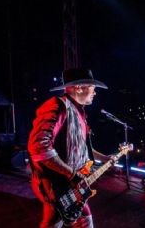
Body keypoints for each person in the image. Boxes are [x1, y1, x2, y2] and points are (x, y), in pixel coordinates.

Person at [28, 68, 111, 228]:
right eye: (92, 87)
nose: (95, 92)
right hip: (56, 185)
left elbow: (81, 149)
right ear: (78, 87)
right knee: (54, 221)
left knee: (73, 221)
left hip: (71, 184)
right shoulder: (57, 106)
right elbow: (38, 146)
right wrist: (72, 174)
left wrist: (105, 158)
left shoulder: (80, 112)